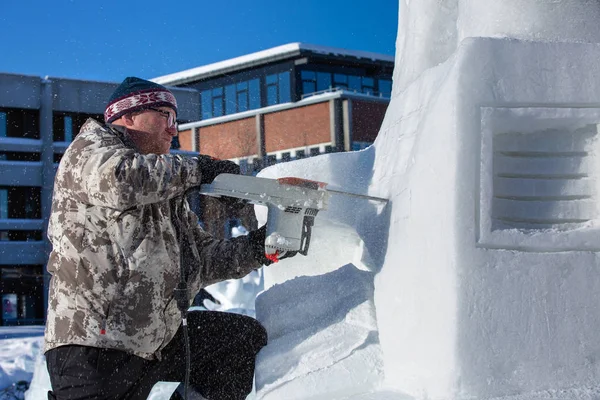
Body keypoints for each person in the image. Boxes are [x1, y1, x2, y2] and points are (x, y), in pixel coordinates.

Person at [44, 77, 285, 400]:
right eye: (165, 117)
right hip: (95, 346)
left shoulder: (165, 189)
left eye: (176, 120)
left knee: (239, 340)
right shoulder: (90, 152)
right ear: (128, 116)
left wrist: (260, 246)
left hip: (153, 343)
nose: (174, 129)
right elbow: (121, 180)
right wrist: (202, 170)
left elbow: (201, 260)